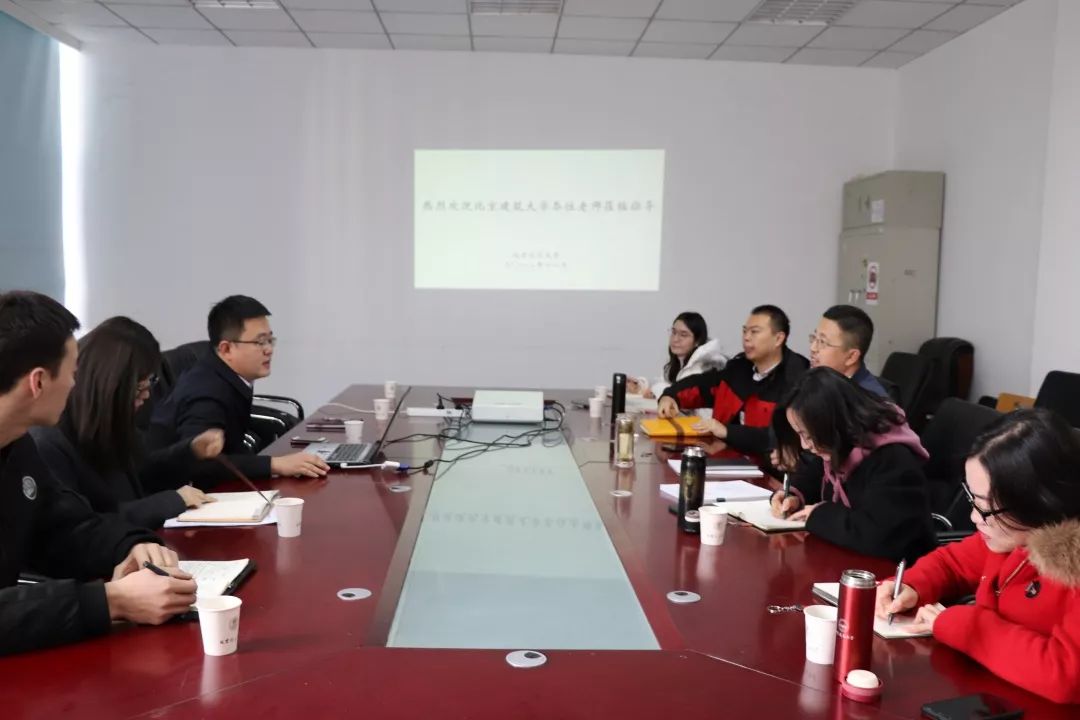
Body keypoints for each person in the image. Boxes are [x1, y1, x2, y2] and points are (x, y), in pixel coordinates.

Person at [0, 291, 197, 655]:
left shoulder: (18, 446)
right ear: (38, 382)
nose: (76, 384)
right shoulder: (39, 441)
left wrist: (133, 545)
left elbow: (65, 527)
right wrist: (110, 601)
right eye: (72, 373)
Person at [876, 409, 1080, 704]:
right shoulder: (1013, 536)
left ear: (1038, 502)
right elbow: (952, 563)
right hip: (989, 695)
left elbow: (1066, 676)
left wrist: (967, 627)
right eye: (972, 499)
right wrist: (911, 586)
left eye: (985, 507)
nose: (974, 517)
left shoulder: (1070, 564)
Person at [31, 317, 224, 529]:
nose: (147, 395)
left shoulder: (110, 420)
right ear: (110, 385)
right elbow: (83, 526)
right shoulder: (48, 441)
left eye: (150, 382)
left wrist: (191, 450)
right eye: (139, 388)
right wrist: (169, 502)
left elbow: (144, 471)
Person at [149, 295, 328, 482]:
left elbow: (230, 448)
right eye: (260, 342)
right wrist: (275, 464)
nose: (269, 349)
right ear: (226, 349)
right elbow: (200, 465)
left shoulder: (227, 374)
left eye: (270, 340)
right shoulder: (207, 394)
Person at [769, 367, 935, 563]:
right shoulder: (840, 442)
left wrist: (819, 515)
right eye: (800, 434)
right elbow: (814, 474)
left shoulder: (892, 460)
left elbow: (879, 535)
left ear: (834, 423)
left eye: (808, 435)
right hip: (849, 561)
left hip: (898, 571)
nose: (805, 445)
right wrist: (793, 494)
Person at [658, 305, 808, 460]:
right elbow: (703, 384)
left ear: (778, 338)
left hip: (770, 468)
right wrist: (670, 396)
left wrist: (727, 432)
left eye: (754, 332)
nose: (746, 337)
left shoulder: (797, 378)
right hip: (725, 460)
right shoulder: (739, 367)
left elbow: (783, 437)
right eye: (745, 331)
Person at [628, 311, 726, 399]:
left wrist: (658, 391)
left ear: (697, 341)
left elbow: (688, 400)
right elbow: (663, 382)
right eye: (674, 332)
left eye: (683, 335)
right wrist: (640, 387)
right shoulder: (679, 361)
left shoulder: (706, 367)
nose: (675, 339)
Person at [808, 305, 888, 398]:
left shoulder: (869, 402)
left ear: (851, 357)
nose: (813, 348)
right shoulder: (816, 381)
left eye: (822, 341)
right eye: (814, 337)